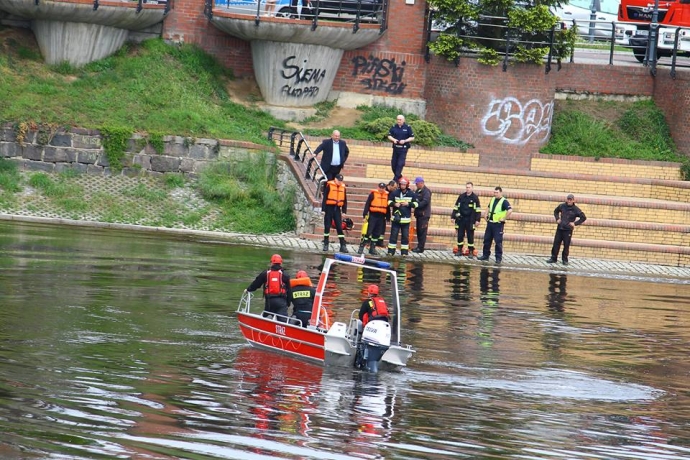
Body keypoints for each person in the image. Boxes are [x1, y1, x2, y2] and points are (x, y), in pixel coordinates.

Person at [244, 254, 291, 322]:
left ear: (271, 262)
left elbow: (256, 283)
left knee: (265, 319)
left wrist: (248, 289)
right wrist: (288, 303)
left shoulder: (265, 273)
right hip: (282, 302)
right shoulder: (285, 275)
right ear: (281, 263)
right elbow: (289, 291)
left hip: (269, 301)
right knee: (283, 322)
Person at [547, 194, 587, 266]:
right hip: (560, 228)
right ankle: (553, 258)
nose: (569, 201)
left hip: (568, 230)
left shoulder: (576, 209)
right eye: (568, 199)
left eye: (570, 199)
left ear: (573, 200)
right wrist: (557, 219)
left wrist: (575, 223)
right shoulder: (562, 206)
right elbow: (556, 211)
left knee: (566, 245)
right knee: (556, 244)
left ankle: (565, 260)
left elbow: (583, 217)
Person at [477, 186, 513, 264]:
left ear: (500, 192)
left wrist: (504, 218)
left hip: (498, 225)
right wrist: (485, 214)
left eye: (496, 192)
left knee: (498, 241)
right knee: (487, 240)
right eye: (494, 192)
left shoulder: (504, 201)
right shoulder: (493, 199)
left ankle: (498, 258)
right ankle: (485, 255)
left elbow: (510, 210)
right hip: (490, 223)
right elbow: (488, 207)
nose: (495, 194)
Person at [387, 177, 418, 256]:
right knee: (393, 235)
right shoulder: (395, 192)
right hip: (396, 219)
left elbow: (416, 204)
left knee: (405, 237)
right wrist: (394, 204)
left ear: (407, 185)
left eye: (404, 184)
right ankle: (391, 252)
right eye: (401, 184)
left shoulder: (411, 194)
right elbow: (389, 201)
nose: (402, 186)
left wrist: (408, 204)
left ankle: (404, 253)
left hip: (406, 220)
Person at [451, 182, 482, 258]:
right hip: (461, 219)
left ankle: (471, 251)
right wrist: (453, 216)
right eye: (467, 187)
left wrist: (477, 220)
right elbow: (456, 207)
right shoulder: (461, 197)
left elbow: (478, 209)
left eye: (469, 187)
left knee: (470, 236)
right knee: (460, 235)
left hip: (470, 220)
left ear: (472, 188)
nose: (467, 189)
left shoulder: (475, 198)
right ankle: (459, 250)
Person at [359, 182, 390, 256]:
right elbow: (367, 204)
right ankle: (361, 246)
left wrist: (388, 217)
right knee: (368, 232)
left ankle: (372, 248)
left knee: (377, 233)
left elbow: (387, 207)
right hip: (373, 215)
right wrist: (365, 214)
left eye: (383, 188)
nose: (381, 189)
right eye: (380, 187)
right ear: (378, 187)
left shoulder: (387, 196)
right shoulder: (373, 194)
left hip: (381, 217)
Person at [321, 174, 349, 253]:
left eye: (341, 181)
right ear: (335, 179)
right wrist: (323, 209)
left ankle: (342, 245)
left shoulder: (343, 187)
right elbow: (325, 198)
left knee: (339, 227)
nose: (339, 182)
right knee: (327, 226)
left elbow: (345, 200)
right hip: (329, 208)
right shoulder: (329, 186)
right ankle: (326, 243)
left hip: (337, 209)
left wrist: (344, 211)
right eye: (338, 180)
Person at [387, 115, 414, 182]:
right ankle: (400, 177)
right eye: (397, 119)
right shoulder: (394, 127)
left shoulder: (408, 127)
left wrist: (405, 141)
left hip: (403, 149)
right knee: (393, 164)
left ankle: (395, 180)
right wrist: (393, 140)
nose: (398, 121)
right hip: (395, 148)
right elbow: (389, 135)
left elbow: (412, 137)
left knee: (400, 164)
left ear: (403, 120)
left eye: (400, 120)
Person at [412, 176, 432, 253]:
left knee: (422, 232)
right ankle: (419, 246)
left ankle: (421, 248)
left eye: (417, 184)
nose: (416, 185)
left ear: (421, 183)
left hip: (424, 215)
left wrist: (416, 205)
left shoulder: (426, 192)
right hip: (419, 215)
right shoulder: (418, 190)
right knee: (419, 231)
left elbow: (425, 202)